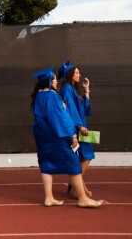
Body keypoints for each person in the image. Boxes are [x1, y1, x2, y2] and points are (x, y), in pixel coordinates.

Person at [31, 67, 103, 208]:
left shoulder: (39, 95)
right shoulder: (52, 95)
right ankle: (82, 198)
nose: (57, 82)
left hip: (42, 136)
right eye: (55, 80)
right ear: (50, 81)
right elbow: (61, 117)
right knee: (74, 164)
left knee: (46, 164)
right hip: (57, 136)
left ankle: (49, 197)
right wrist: (72, 133)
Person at [59, 60, 95, 198]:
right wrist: (79, 126)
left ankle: (77, 185)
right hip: (75, 127)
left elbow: (85, 108)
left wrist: (86, 90)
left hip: (79, 125)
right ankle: (76, 185)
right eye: (77, 73)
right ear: (70, 74)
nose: (80, 75)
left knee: (80, 156)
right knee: (87, 154)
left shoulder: (73, 89)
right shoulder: (67, 89)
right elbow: (71, 110)